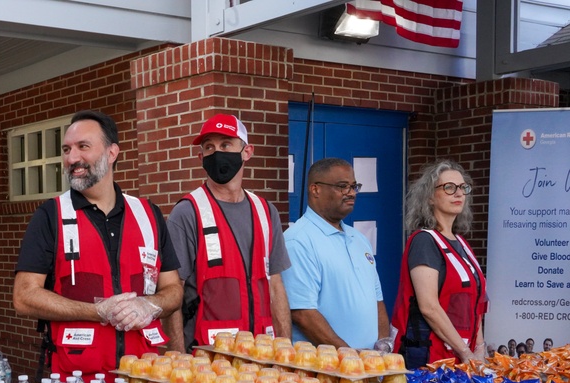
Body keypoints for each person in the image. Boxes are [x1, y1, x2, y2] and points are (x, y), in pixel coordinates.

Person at [13, 110, 182, 381]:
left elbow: (173, 290)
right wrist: (96, 312)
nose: (72, 158)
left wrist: (150, 305)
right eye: (67, 149)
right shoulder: (51, 216)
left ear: (112, 152)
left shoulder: (148, 215)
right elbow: (24, 297)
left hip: (143, 378)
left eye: (83, 147)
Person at [165, 114, 291, 352]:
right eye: (209, 147)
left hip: (263, 356)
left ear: (247, 152)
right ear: (201, 157)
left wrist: (286, 351)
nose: (217, 153)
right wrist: (177, 359)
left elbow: (275, 286)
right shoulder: (187, 212)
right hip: (208, 359)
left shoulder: (266, 211)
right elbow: (172, 292)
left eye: (225, 145)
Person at [281, 158, 389, 350]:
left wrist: (383, 346)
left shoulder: (359, 239)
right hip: (326, 372)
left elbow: (377, 300)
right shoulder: (298, 241)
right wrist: (349, 358)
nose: (351, 193)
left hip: (369, 370)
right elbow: (303, 314)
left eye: (354, 186)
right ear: (315, 190)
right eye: (342, 186)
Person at [390, 160, 487, 368]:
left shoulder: (461, 243)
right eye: (449, 187)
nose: (459, 193)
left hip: (460, 360)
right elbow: (429, 307)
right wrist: (466, 353)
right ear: (430, 198)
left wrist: (479, 349)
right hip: (429, 358)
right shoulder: (424, 241)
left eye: (463, 188)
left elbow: (475, 304)